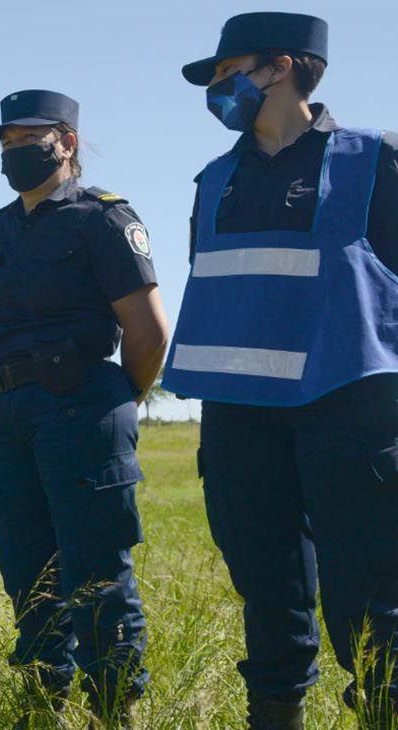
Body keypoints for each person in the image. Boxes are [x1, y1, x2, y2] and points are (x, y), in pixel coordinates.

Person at [166, 13, 398, 727]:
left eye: (227, 70)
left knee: (368, 590)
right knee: (265, 586)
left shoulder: (375, 157)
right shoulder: (215, 180)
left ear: (285, 66)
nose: (216, 86)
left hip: (349, 408)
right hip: (239, 415)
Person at [0, 90, 168, 725]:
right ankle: (41, 699)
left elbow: (148, 331)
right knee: (24, 565)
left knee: (94, 566)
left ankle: (114, 706)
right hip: (8, 415)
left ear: (67, 142)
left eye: (30, 140)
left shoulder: (103, 219)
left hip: (81, 407)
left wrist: (108, 400)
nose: (16, 153)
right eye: (8, 144)